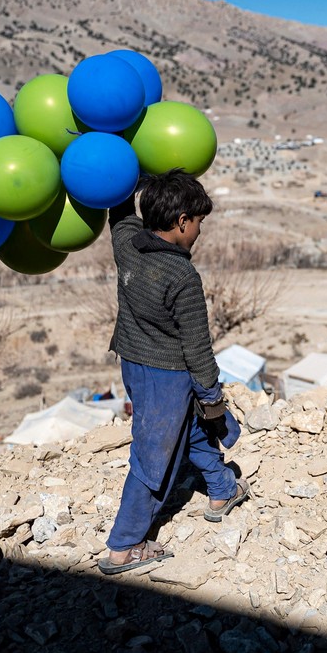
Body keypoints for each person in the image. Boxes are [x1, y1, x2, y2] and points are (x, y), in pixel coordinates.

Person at [98, 169, 250, 575]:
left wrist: (127, 175)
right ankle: (125, 547)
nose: (200, 231)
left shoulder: (127, 244)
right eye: (198, 223)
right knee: (155, 456)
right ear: (183, 221)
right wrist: (212, 397)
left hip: (133, 363)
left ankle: (221, 490)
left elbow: (118, 213)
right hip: (167, 374)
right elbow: (197, 347)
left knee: (192, 429)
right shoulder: (183, 276)